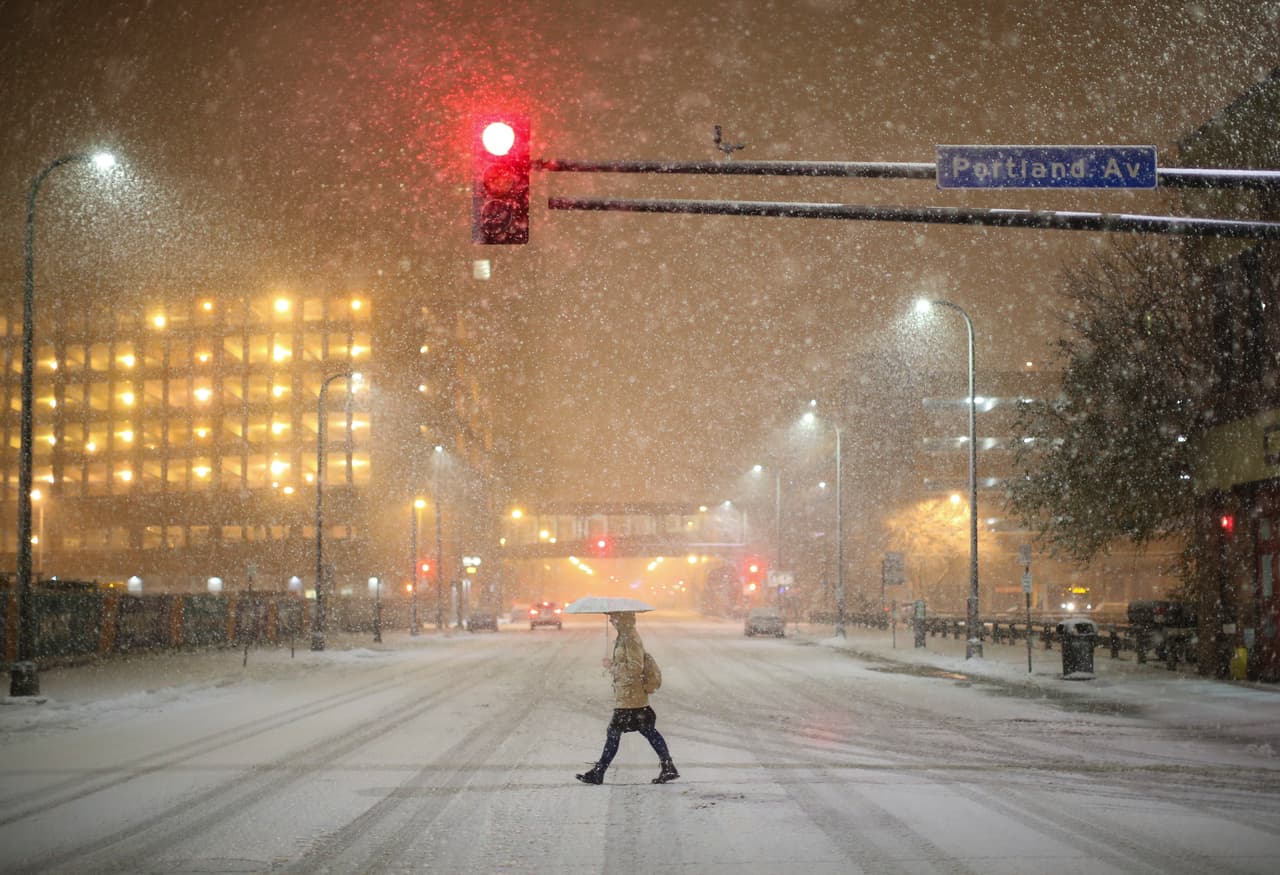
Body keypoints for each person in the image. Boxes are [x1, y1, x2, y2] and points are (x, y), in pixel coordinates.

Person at [576, 611, 678, 785]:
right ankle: (668, 767)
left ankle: (599, 772)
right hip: (631, 697)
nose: (610, 620)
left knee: (614, 733)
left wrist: (613, 666)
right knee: (648, 731)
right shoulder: (625, 636)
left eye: (614, 617)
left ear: (622, 619)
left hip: (631, 697)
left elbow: (635, 668)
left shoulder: (630, 638)